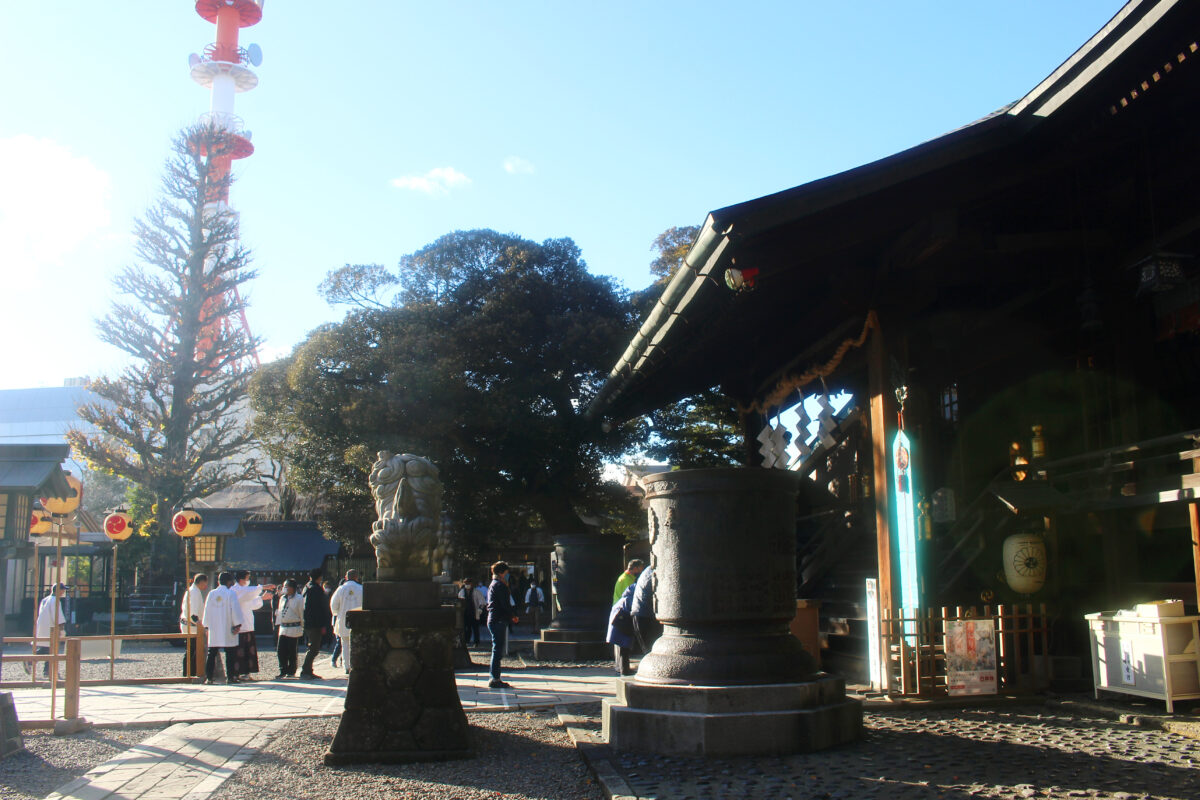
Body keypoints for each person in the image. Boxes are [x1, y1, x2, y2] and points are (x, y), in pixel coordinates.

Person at [202, 572, 242, 684]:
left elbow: (207, 610)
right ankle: (230, 677)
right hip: (227, 626)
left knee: (212, 653)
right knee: (230, 653)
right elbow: (235, 610)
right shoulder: (231, 594)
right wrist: (237, 624)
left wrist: (206, 625)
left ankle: (209, 678)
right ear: (229, 582)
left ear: (218, 581)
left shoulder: (212, 593)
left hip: (214, 627)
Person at [486, 561, 519, 689]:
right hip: (498, 619)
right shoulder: (500, 585)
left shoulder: (493, 584)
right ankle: (495, 678)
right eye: (506, 573)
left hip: (494, 618)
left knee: (497, 648)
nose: (507, 575)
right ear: (501, 573)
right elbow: (505, 604)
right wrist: (513, 615)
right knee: (497, 649)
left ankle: (494, 676)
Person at [230, 571, 269, 680]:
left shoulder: (243, 592)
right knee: (239, 651)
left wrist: (261, 598)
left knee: (247, 651)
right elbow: (248, 593)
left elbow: (250, 603)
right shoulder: (236, 590)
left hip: (247, 624)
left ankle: (246, 673)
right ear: (241, 580)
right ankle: (237, 673)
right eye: (247, 578)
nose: (248, 580)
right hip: (239, 625)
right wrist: (262, 587)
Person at [328, 569, 363, 674]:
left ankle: (347, 667)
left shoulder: (340, 589)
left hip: (344, 619)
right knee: (357, 644)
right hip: (358, 620)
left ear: (346, 577)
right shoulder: (361, 589)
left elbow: (333, 605)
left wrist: (337, 613)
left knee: (345, 644)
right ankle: (356, 664)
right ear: (357, 577)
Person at [300, 568, 330, 679]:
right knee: (314, 647)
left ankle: (308, 669)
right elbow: (318, 609)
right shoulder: (316, 589)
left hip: (307, 621)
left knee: (312, 646)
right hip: (315, 622)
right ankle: (305, 670)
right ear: (319, 577)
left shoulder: (306, 587)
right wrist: (322, 624)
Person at [34, 583, 67, 679]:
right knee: (50, 649)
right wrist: (62, 629)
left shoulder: (45, 600)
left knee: (48, 649)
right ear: (58, 590)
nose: (63, 592)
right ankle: (32, 661)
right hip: (51, 629)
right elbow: (57, 617)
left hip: (43, 627)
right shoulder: (55, 601)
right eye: (62, 590)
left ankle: (47, 671)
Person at [274, 579, 305, 679]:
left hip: (294, 627)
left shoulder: (299, 598)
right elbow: (280, 612)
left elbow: (301, 613)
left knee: (292, 650)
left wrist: (303, 626)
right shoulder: (282, 598)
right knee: (281, 650)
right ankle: (282, 670)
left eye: (287, 586)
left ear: (292, 588)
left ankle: (291, 671)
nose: (285, 588)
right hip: (283, 627)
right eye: (284, 586)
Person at [179, 573, 208, 677]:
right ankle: (189, 672)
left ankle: (191, 671)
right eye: (205, 583)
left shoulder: (193, 591)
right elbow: (192, 612)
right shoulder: (194, 592)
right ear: (201, 582)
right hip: (191, 625)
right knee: (191, 650)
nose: (206, 586)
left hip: (190, 624)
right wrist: (198, 622)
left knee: (192, 650)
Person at [607, 582, 637, 676]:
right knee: (624, 648)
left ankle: (623, 668)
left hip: (619, 620)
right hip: (621, 621)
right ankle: (624, 670)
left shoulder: (627, 596)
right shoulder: (631, 596)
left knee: (622, 648)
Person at [630, 565, 662, 654]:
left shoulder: (648, 571)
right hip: (645, 614)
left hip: (640, 612)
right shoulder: (653, 572)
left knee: (648, 649)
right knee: (651, 649)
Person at [458, 578, 485, 647]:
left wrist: (480, 609)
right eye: (466, 584)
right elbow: (459, 601)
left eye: (468, 583)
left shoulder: (476, 592)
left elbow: (482, 601)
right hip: (465, 612)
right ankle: (466, 641)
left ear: (471, 584)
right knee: (467, 628)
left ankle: (476, 642)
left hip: (474, 612)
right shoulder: (462, 592)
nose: (467, 585)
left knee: (475, 628)